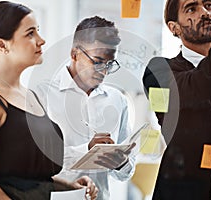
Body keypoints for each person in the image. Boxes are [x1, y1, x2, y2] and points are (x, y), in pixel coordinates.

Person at [0, 1, 98, 199]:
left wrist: (71, 188)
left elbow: (29, 179)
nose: (41, 40)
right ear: (2, 45)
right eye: (30, 33)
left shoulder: (30, 96)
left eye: (38, 31)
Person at [142, 0, 211, 199]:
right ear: (174, 28)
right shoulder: (158, 72)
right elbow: (198, 84)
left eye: (208, 5)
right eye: (192, 8)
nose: (204, 12)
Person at [32, 16, 135, 200]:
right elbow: (36, 160)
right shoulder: (41, 95)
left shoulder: (118, 100)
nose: (104, 71)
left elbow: (125, 174)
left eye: (110, 64)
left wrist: (121, 163)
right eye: (97, 62)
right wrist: (86, 149)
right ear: (74, 54)